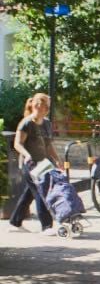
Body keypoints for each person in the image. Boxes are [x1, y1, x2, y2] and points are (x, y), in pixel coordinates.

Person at [7, 93, 61, 236]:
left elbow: (49, 145)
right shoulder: (26, 123)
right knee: (40, 192)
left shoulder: (47, 123)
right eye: (44, 106)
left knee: (29, 194)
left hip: (44, 164)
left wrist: (57, 159)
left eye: (46, 106)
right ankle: (46, 226)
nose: (46, 109)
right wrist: (27, 154)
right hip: (29, 164)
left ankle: (15, 222)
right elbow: (17, 144)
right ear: (35, 106)